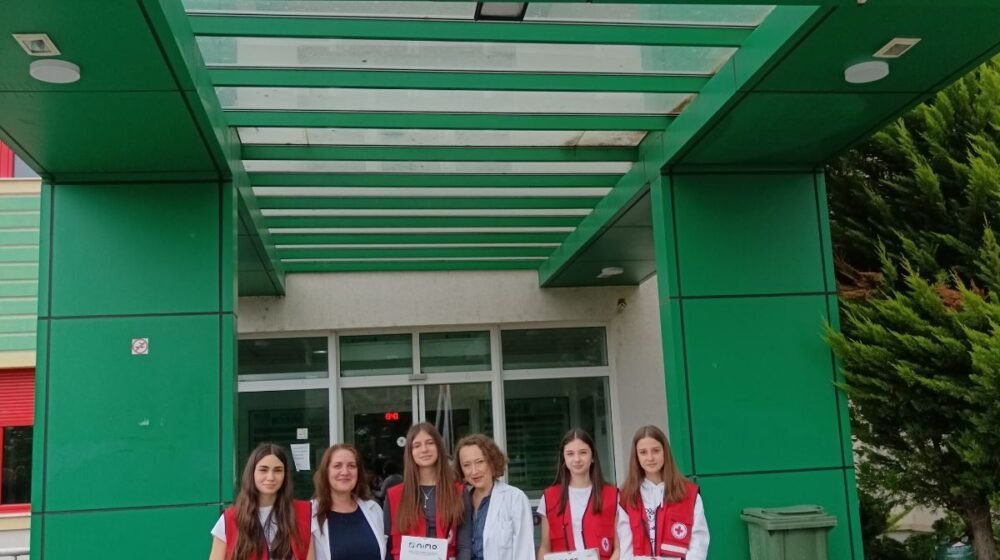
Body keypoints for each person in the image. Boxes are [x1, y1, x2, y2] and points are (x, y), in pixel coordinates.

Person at [617, 426, 708, 560]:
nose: (650, 458)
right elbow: (625, 550)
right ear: (636, 457)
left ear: (665, 452)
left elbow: (699, 544)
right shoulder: (626, 498)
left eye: (656, 450)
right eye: (643, 452)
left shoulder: (689, 494)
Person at [209, 443, 313, 560]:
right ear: (252, 473)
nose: (271, 477)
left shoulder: (304, 513)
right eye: (263, 470)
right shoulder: (230, 519)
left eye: (278, 470)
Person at [383, 422, 466, 560]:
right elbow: (387, 545)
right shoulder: (394, 495)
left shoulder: (458, 491)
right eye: (417, 445)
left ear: (439, 447)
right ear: (410, 452)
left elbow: (464, 546)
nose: (424, 449)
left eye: (430, 443)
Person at [537, 429, 619, 560]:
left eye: (583, 452)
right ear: (563, 459)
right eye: (570, 454)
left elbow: (619, 548)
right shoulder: (549, 497)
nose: (577, 459)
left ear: (592, 457)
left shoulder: (613, 496)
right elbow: (545, 548)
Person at [454, 434, 534, 560]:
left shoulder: (515, 498)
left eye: (480, 462)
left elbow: (524, 552)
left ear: (492, 461)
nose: (474, 471)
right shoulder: (460, 501)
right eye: (466, 465)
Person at [312, 444, 385, 560]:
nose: (345, 472)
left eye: (351, 466)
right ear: (326, 471)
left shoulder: (374, 509)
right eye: (337, 466)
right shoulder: (311, 514)